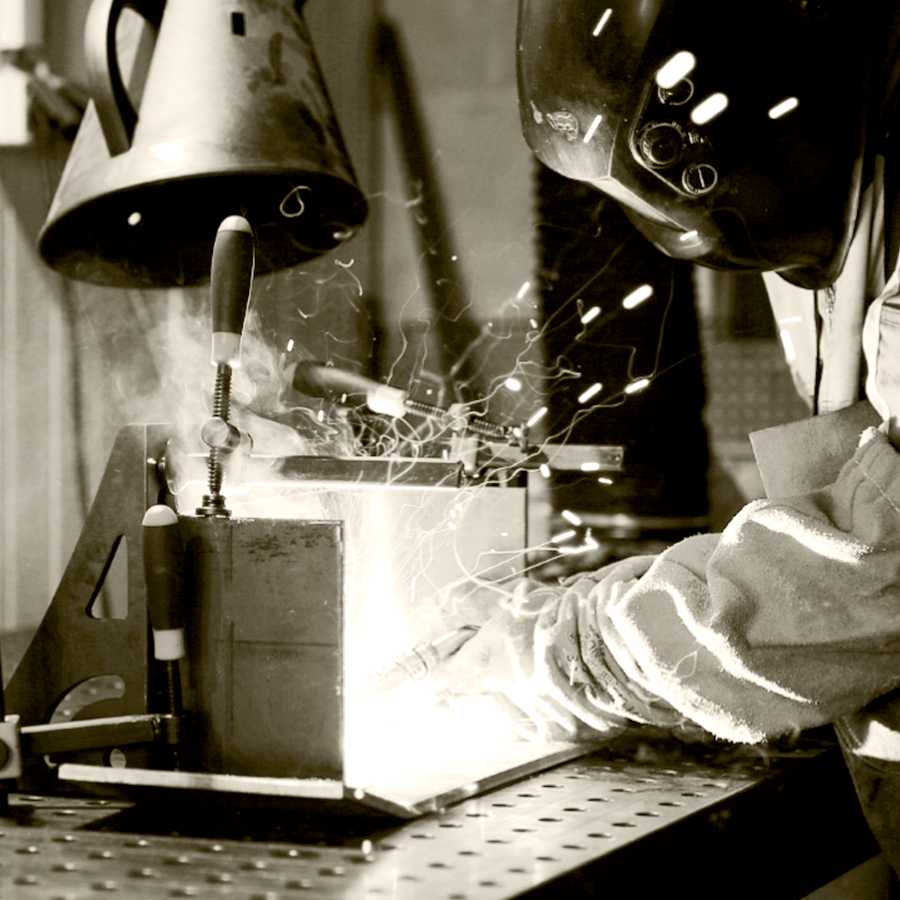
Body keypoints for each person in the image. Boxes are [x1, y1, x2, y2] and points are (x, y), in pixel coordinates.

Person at [437, 0, 900, 874]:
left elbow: (878, 568)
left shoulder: (809, 136)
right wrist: (590, 605)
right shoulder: (840, 161)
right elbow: (858, 489)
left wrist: (568, 657)